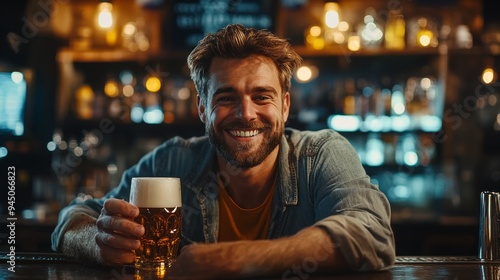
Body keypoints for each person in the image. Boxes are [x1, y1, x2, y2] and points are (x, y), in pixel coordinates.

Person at [51, 23, 395, 279]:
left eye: (262, 96)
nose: (246, 113)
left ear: (286, 106)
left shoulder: (321, 154)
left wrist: (225, 259)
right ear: (202, 109)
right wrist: (97, 243)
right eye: (226, 98)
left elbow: (372, 233)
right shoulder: (174, 160)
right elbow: (73, 218)